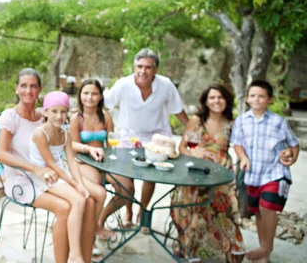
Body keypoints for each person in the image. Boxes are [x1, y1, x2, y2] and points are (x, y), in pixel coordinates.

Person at [0, 69, 106, 263]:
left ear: (39, 89)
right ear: (16, 89)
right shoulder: (11, 117)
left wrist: (87, 148)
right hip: (23, 181)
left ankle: (83, 258)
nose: (28, 91)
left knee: (89, 201)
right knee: (65, 207)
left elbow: (62, 142)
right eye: (23, 86)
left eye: (33, 86)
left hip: (49, 175)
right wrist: (35, 168)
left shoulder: (43, 115)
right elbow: (0, 154)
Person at [102, 48, 188, 232]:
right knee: (128, 178)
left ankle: (143, 211)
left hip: (157, 136)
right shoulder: (124, 84)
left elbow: (178, 111)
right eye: (139, 66)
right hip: (128, 136)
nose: (143, 71)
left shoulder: (165, 85)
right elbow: (104, 103)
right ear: (134, 67)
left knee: (150, 176)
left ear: (156, 69)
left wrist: (192, 131)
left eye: (148, 67)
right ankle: (128, 214)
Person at [30, 91, 109, 263]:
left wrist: (79, 183)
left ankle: (92, 229)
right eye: (54, 111)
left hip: (61, 172)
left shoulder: (64, 133)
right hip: (46, 175)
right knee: (80, 200)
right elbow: (50, 164)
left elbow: (71, 161)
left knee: (100, 193)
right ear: (45, 112)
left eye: (63, 111)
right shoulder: (40, 134)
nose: (59, 116)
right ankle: (75, 253)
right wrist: (75, 185)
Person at [171, 84, 245, 262]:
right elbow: (182, 146)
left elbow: (241, 146)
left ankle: (229, 246)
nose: (216, 101)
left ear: (227, 101)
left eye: (220, 97)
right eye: (212, 97)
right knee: (188, 204)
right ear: (206, 101)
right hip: (196, 168)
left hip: (221, 170)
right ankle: (189, 246)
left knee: (224, 207)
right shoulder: (196, 120)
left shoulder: (232, 124)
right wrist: (194, 155)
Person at [231, 80, 300, 263]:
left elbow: (294, 144)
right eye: (253, 95)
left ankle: (265, 247)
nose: (256, 99)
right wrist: (243, 158)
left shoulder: (278, 122)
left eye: (261, 96)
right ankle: (265, 254)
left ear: (269, 100)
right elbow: (237, 144)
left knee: (267, 207)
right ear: (247, 98)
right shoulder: (242, 121)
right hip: (253, 174)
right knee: (259, 212)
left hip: (275, 172)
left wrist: (291, 157)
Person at [69, 79, 133, 234]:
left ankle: (99, 220)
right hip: (84, 161)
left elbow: (110, 144)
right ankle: (89, 231)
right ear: (80, 95)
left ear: (100, 96)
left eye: (94, 93)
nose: (89, 97)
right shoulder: (76, 118)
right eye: (86, 93)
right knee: (97, 187)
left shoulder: (106, 117)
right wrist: (88, 150)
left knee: (128, 189)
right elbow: (72, 145)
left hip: (104, 161)